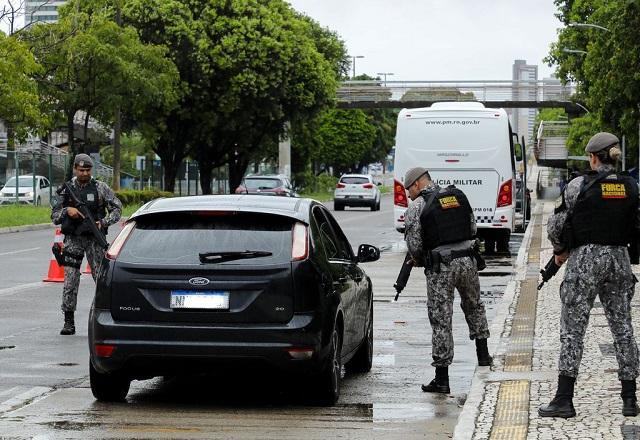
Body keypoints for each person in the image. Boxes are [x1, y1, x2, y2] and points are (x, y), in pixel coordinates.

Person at [539, 132, 640, 418]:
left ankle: (563, 399)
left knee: (573, 331)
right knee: (623, 329)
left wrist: (560, 250)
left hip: (585, 261)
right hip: (620, 260)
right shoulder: (632, 186)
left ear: (593, 157)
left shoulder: (578, 185)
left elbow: (556, 225)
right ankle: (629, 399)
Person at [403, 167, 492, 394]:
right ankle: (483, 356)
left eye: (408, 190)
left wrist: (422, 260)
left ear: (416, 184)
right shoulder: (457, 195)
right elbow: (472, 228)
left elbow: (414, 245)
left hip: (441, 267)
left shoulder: (416, 207)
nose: (408, 195)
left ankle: (442, 379)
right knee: (474, 306)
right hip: (468, 261)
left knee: (441, 318)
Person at [51, 154, 122, 335]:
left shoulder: (100, 188)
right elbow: (54, 216)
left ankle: (104, 317)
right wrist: (68, 210)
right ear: (75, 168)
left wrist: (103, 222)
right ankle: (69, 321)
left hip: (94, 240)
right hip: (73, 239)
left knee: (100, 279)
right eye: (81, 170)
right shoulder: (66, 189)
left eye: (87, 170)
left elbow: (117, 209)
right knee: (70, 280)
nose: (84, 173)